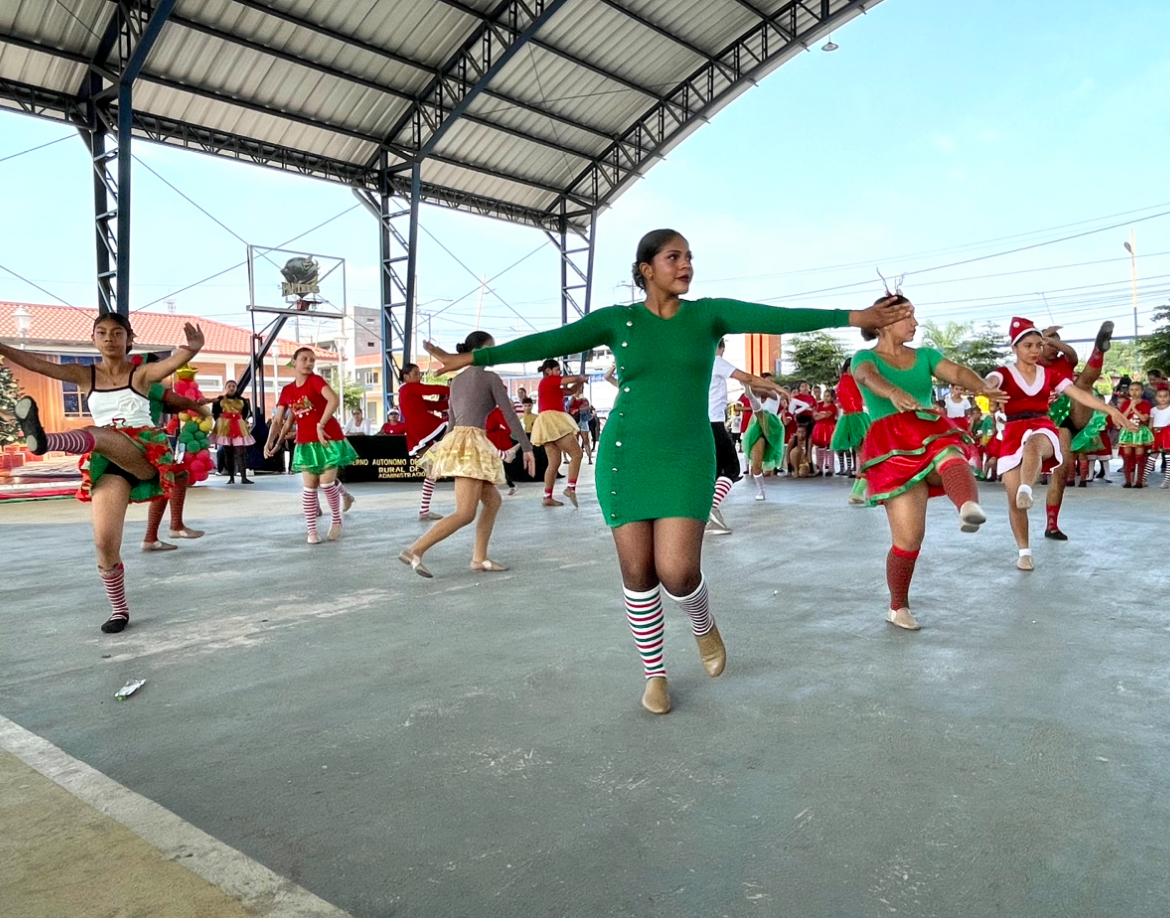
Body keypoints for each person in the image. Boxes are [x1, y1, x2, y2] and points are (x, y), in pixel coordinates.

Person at [424, 228, 909, 714]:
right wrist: (471, 358)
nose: (686, 265)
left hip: (686, 455)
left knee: (677, 571)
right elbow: (550, 340)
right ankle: (654, 674)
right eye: (673, 257)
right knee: (638, 572)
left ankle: (702, 623)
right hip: (625, 454)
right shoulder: (618, 320)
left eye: (689, 257)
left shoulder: (707, 315)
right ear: (646, 269)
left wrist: (855, 317)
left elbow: (776, 316)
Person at [3, 314, 203, 633]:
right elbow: (38, 365)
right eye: (102, 332)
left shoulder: (140, 374)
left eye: (117, 332)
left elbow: (167, 365)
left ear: (129, 338)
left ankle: (46, 441)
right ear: (94, 339)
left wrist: (191, 349)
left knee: (98, 433)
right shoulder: (85, 375)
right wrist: (2, 347)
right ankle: (119, 610)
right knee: (104, 542)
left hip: (143, 454)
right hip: (108, 462)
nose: (110, 338)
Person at [852, 299, 1002, 630]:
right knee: (909, 539)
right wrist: (892, 393)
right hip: (891, 446)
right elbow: (867, 376)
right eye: (907, 317)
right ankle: (897, 607)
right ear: (884, 322)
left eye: (914, 316)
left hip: (926, 429)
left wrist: (981, 387)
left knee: (949, 453)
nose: (915, 323)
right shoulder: (865, 357)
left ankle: (967, 506)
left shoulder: (925, 356)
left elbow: (957, 372)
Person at [986, 318, 1133, 571]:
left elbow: (1080, 391)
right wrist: (986, 388)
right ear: (1016, 348)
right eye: (1030, 345)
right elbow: (990, 381)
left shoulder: (1055, 370)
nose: (1036, 350)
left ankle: (1030, 493)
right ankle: (1024, 552)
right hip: (1013, 430)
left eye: (1038, 345)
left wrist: (1111, 409)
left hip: (1051, 422)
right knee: (1014, 502)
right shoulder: (1006, 372)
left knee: (1039, 444)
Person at [399, 332, 537, 577]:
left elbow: (452, 422)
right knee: (465, 513)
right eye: (490, 348)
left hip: (459, 441)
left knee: (493, 501)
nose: (493, 354)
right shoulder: (490, 378)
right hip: (472, 445)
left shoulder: (456, 381)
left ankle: (479, 558)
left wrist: (442, 450)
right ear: (479, 351)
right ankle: (415, 550)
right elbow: (510, 415)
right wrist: (527, 447)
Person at [263, 347, 358, 543]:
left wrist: (320, 424)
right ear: (294, 362)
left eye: (312, 360)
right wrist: (270, 442)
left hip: (328, 438)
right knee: (309, 487)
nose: (308, 363)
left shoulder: (315, 381)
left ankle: (336, 521)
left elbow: (333, 400)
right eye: (304, 359)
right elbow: (279, 419)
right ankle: (311, 532)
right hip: (306, 442)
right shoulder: (287, 391)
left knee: (327, 483)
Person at [1038, 322, 1113, 537]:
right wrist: (1041, 337)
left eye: (1058, 344)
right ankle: (1052, 524)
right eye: (1050, 345)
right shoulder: (1030, 364)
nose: (1055, 349)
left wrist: (1052, 341)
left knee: (1083, 385)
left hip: (1071, 415)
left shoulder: (1064, 361)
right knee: (1060, 472)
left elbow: (1071, 353)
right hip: (1043, 422)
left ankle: (1099, 350)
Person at [706, 338, 784, 534]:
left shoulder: (694, 365)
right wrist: (777, 387)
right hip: (714, 424)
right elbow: (747, 378)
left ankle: (702, 514)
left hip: (699, 425)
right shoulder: (715, 361)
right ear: (720, 347)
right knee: (731, 469)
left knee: (712, 472)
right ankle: (710, 512)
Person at [398, 363, 450, 521]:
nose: (419, 376)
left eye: (419, 373)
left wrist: (448, 403)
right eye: (415, 373)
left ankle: (424, 510)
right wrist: (454, 390)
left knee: (431, 470)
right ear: (406, 376)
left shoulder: (408, 392)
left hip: (418, 433)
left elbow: (429, 404)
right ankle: (501, 454)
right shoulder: (408, 388)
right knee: (455, 430)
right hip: (425, 427)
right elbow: (432, 390)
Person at [532, 358, 586, 507]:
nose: (559, 373)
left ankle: (547, 496)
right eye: (557, 370)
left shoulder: (551, 385)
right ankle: (570, 487)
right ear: (548, 371)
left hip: (546, 423)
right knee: (576, 454)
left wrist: (579, 382)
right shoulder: (549, 380)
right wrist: (579, 377)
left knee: (554, 463)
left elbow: (572, 391)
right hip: (553, 420)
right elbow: (568, 380)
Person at [829, 357, 870, 504]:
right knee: (868, 458)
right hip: (857, 420)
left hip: (850, 419)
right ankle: (858, 492)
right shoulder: (853, 381)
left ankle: (857, 492)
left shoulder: (842, 383)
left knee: (864, 457)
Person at [742, 374, 785, 498]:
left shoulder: (775, 395)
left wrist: (749, 386)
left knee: (761, 413)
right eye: (765, 382)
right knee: (756, 464)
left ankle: (750, 396)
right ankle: (761, 491)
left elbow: (764, 391)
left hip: (772, 429)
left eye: (770, 383)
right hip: (757, 431)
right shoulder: (757, 395)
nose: (768, 385)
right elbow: (756, 390)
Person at [210, 379, 254, 484]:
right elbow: (215, 413)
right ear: (225, 388)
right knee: (228, 452)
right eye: (229, 386)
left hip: (239, 427)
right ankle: (231, 477)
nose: (231, 388)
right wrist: (221, 422)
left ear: (236, 388)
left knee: (240, 452)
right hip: (225, 428)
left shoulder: (243, 400)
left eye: (233, 386)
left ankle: (243, 477)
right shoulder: (220, 400)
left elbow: (245, 413)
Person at [1117, 380, 1154, 488]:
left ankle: (1139, 481)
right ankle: (1128, 481)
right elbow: (1122, 417)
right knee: (1127, 457)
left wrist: (1134, 408)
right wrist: (1130, 406)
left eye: (1137, 390)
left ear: (1142, 391)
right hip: (1128, 431)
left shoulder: (1145, 404)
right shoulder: (1126, 403)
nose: (1134, 392)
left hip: (1139, 431)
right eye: (1131, 390)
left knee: (1140, 456)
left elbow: (1144, 418)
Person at [1145, 385, 1170, 488]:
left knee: (1168, 458)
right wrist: (1148, 435)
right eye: (1160, 396)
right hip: (1156, 434)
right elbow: (1151, 423)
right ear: (1156, 397)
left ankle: (1166, 481)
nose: (1163, 398)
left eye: (1165, 396)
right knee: (1152, 457)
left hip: (1167, 434)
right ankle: (1143, 479)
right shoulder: (1153, 410)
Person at [811, 389, 838, 476]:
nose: (825, 398)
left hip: (829, 428)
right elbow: (815, 417)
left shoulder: (833, 407)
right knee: (820, 447)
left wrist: (820, 414)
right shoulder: (819, 405)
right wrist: (821, 415)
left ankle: (831, 468)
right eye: (825, 395)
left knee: (829, 447)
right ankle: (819, 468)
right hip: (819, 428)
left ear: (832, 398)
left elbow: (827, 416)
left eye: (828, 396)